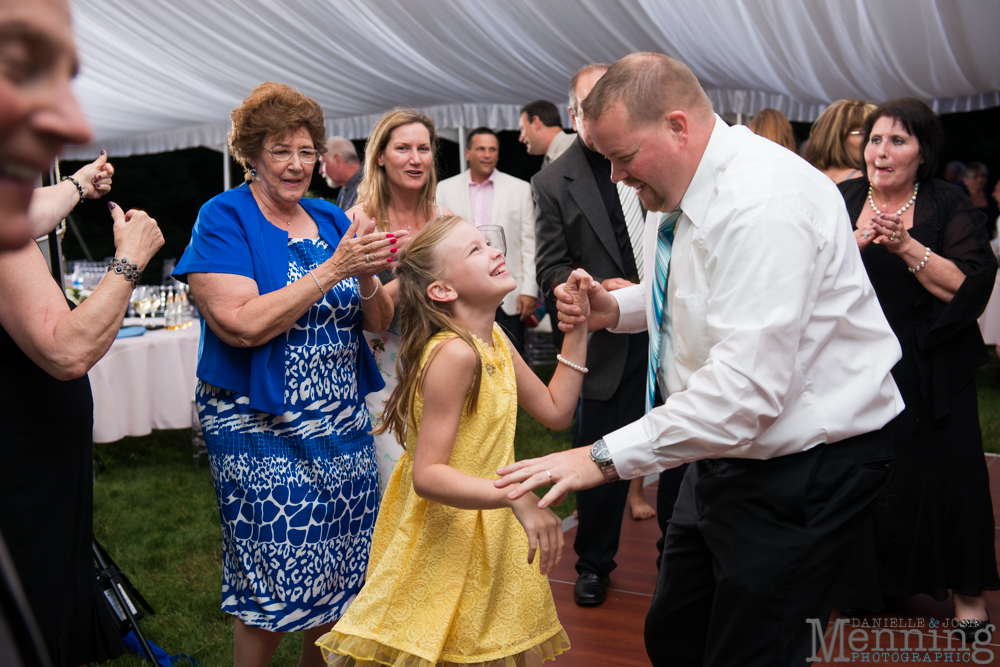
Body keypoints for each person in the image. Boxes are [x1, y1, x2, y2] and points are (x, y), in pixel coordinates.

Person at [497, 52, 905, 666]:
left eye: (622, 158)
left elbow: (742, 395)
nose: (614, 178)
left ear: (677, 126)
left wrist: (599, 457)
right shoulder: (697, 184)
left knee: (752, 648)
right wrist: (618, 310)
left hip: (801, 465)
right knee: (677, 634)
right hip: (723, 452)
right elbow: (698, 292)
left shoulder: (763, 206)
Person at [172, 81, 395, 667]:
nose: (298, 165)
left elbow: (377, 320)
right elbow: (241, 324)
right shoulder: (223, 217)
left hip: (342, 425)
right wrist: (335, 268)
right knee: (276, 575)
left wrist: (366, 270)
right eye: (281, 151)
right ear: (250, 155)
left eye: (306, 151)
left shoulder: (327, 215)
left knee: (340, 572)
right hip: (258, 426)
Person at [316, 216, 586, 666]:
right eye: (475, 250)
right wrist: (517, 497)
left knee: (480, 645)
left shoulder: (494, 338)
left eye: (488, 243)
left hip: (488, 521)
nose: (495, 251)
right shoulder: (455, 353)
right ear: (442, 290)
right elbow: (428, 475)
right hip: (446, 531)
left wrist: (580, 329)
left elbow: (557, 409)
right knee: (444, 646)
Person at [0, 2, 164, 665]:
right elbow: (66, 349)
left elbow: (27, 208)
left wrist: (77, 183)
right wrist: (130, 260)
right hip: (21, 463)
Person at [837, 99, 999, 637]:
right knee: (868, 472)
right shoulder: (843, 199)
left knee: (952, 476)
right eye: (875, 139)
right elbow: (806, 275)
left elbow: (968, 285)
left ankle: (968, 595)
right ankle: (870, 583)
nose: (881, 151)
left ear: (922, 152)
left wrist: (907, 246)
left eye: (897, 141)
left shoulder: (945, 203)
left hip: (931, 363)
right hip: (860, 365)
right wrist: (847, 249)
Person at [533, 63, 662, 607]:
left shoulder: (656, 158)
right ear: (574, 113)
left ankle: (676, 564)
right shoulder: (552, 181)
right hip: (606, 345)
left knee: (683, 454)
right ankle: (593, 565)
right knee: (601, 456)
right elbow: (548, 269)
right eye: (596, 102)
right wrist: (577, 287)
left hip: (669, 334)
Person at [344, 108, 452, 493]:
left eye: (423, 148)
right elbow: (365, 315)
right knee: (398, 488)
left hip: (443, 367)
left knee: (447, 487)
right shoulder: (360, 222)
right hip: (384, 371)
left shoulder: (444, 219)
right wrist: (410, 268)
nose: (415, 159)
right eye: (403, 148)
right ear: (380, 156)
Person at [437, 126, 538, 352]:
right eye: (481, 149)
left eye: (492, 149)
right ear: (467, 153)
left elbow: (529, 242)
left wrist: (529, 289)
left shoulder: (520, 189)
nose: (487, 154)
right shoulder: (444, 189)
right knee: (468, 358)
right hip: (462, 292)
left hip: (509, 295)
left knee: (513, 364)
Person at [804, 99, 876, 183]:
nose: (871, 140)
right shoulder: (861, 181)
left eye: (877, 136)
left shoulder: (805, 174)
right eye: (863, 133)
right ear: (837, 137)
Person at [519, 100, 576, 167]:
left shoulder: (574, 145)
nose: (520, 139)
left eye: (522, 129)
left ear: (536, 123)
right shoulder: (549, 159)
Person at [320, 136, 363, 210]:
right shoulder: (345, 189)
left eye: (323, 162)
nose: (320, 171)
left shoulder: (370, 184)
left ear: (337, 160)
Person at [963, 162, 999, 238]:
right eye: (975, 177)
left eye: (983, 176)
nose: (980, 180)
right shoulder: (961, 198)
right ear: (965, 180)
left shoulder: (992, 195)